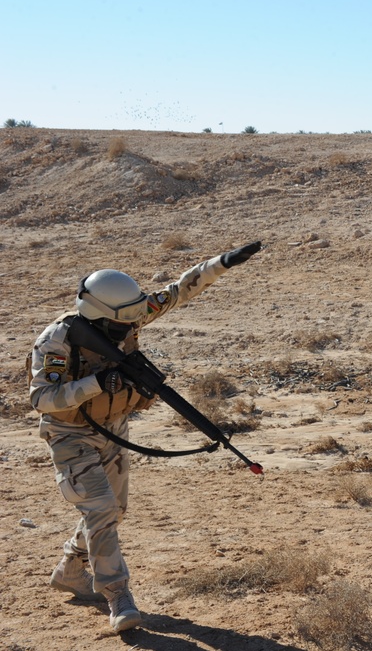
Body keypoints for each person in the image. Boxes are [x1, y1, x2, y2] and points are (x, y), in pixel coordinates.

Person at [29, 241, 262, 633]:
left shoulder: (129, 313)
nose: (128, 331)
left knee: (115, 511)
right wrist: (96, 383)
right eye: (121, 328)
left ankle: (71, 568)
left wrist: (221, 264)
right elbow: (42, 399)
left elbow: (178, 291)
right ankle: (118, 595)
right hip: (70, 434)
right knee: (101, 509)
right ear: (99, 318)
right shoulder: (56, 342)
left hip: (114, 427)